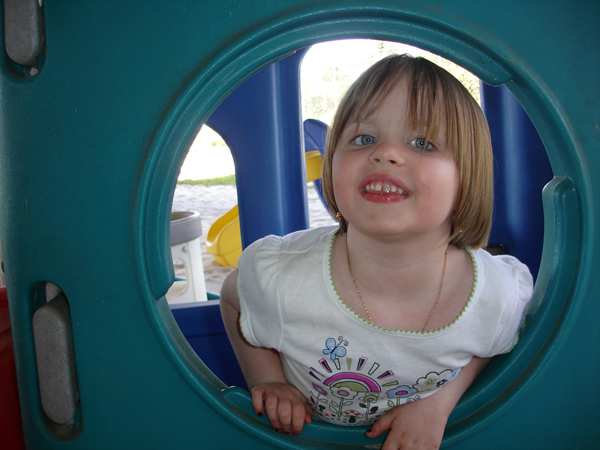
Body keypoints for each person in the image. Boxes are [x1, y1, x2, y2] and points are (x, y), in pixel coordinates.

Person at [220, 54, 533, 449]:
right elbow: (234, 298)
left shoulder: (495, 293)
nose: (385, 153)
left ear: (466, 176)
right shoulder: (283, 276)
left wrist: (439, 403)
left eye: (422, 142)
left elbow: (494, 342)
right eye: (364, 139)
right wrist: (268, 380)